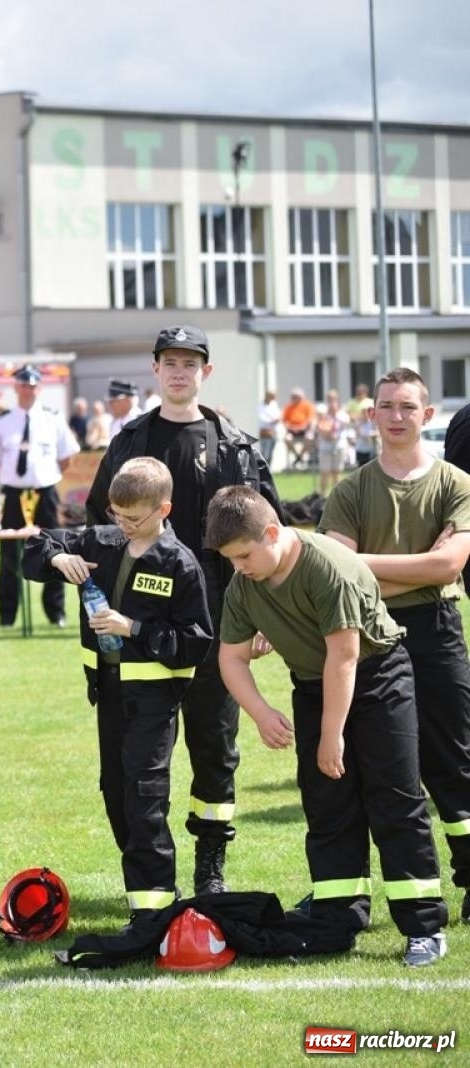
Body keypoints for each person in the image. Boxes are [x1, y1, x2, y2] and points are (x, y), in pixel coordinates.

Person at [206, 485, 448, 966]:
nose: (240, 567)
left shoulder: (327, 565)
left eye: (245, 555)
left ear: (273, 533)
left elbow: (345, 656)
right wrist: (260, 712)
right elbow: (230, 658)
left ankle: (424, 927)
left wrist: (331, 735)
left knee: (394, 799)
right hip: (314, 688)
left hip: (378, 679)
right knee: (327, 805)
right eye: (231, 559)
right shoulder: (243, 586)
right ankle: (337, 920)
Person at [84, 325, 283, 898]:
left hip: (217, 625)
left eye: (190, 363)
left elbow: (267, 533)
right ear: (155, 369)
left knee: (214, 752)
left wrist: (265, 613)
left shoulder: (234, 445)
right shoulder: (130, 440)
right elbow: (103, 530)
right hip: (138, 632)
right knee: (129, 764)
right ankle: (145, 873)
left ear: (205, 372)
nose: (179, 371)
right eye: (169, 362)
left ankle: (209, 871)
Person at [22, 459, 213, 923]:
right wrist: (55, 557)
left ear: (163, 509)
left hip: (154, 698)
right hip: (107, 692)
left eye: (134, 518)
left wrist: (135, 628)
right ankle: (145, 898)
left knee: (144, 794)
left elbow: (195, 642)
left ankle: (155, 911)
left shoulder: (180, 563)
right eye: (116, 515)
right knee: (115, 792)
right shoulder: (102, 540)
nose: (123, 526)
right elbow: (33, 548)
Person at [316, 368, 470, 916]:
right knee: (380, 764)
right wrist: (423, 566)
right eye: (387, 406)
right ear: (371, 415)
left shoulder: (456, 483)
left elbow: (450, 564)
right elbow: (340, 576)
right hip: (372, 634)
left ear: (428, 416)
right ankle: (353, 895)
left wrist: (366, 564)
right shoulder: (353, 489)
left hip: (437, 628)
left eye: (408, 406)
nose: (397, 416)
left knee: (454, 761)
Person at [0, 364, 80, 628]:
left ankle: (55, 612)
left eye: (33, 386)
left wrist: (43, 477)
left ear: (40, 388)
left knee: (54, 549)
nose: (28, 390)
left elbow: (66, 458)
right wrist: (17, 479)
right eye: (23, 385)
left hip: (45, 492)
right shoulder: (2, 422)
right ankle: (7, 615)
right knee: (9, 554)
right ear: (16, 388)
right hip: (13, 495)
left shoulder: (53, 418)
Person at [315, 389, 354, 495]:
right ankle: (322, 496)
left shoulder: (342, 415)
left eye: (334, 400)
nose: (331, 402)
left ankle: (337, 496)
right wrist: (326, 432)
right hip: (325, 446)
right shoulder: (322, 414)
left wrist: (335, 414)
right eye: (329, 400)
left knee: (337, 473)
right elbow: (320, 428)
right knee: (324, 472)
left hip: (339, 446)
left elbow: (345, 424)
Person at [282, 388, 316, 470]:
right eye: (293, 397)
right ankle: (298, 458)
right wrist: (292, 428)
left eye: (297, 397)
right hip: (292, 430)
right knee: (287, 439)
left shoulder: (307, 405)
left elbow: (310, 419)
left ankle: (299, 458)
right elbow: (285, 421)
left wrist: (302, 427)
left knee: (310, 438)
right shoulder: (288, 407)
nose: (295, 399)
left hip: (304, 430)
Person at [255, 390, 281, 467]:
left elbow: (278, 416)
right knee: (264, 454)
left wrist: (274, 420)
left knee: (270, 454)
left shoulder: (274, 404)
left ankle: (269, 469)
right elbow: (262, 419)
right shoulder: (260, 406)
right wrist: (272, 420)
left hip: (274, 432)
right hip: (265, 433)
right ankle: (262, 469)